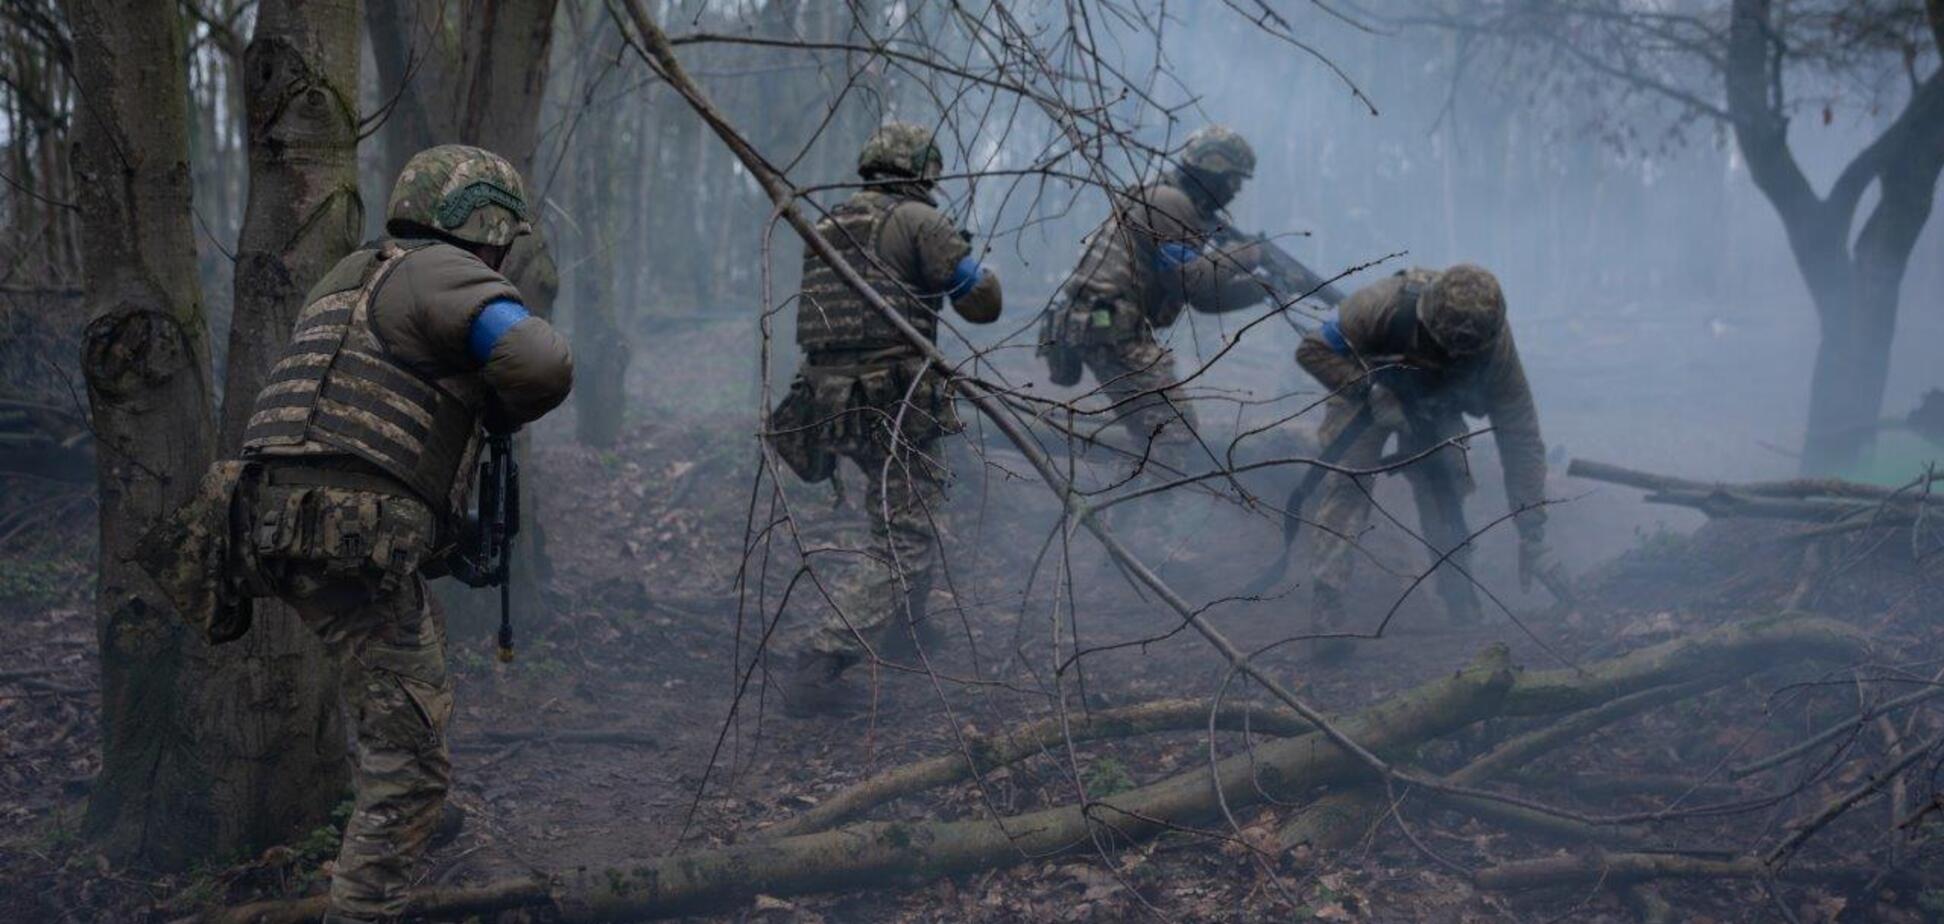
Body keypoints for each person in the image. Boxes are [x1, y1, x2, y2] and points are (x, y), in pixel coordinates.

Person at [238, 144, 572, 923]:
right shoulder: (444, 272)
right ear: (484, 223)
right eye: (501, 240)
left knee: (399, 713)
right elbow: (542, 361)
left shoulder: (348, 275)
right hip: (348, 534)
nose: (501, 255)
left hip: (279, 522)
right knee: (411, 761)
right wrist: (498, 398)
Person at [775, 121, 1002, 717]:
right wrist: (976, 270)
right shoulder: (918, 221)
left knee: (906, 507)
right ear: (923, 169)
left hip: (829, 398)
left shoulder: (832, 220)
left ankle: (908, 632)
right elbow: (981, 304)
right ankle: (822, 660)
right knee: (904, 533)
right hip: (893, 398)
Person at [1294, 263, 1555, 659]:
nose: (1453, 354)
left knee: (1448, 483)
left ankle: (1459, 599)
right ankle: (1328, 605)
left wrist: (1532, 532)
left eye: (1464, 353)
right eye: (1445, 346)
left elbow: (1520, 437)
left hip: (1435, 406)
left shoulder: (1496, 349)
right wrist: (1371, 391)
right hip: (1368, 392)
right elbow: (1312, 349)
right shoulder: (1380, 305)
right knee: (1348, 483)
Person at [1045, 124, 1273, 470]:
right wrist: (1247, 255)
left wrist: (1261, 290)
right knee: (1171, 432)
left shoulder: (1167, 198)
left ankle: (1126, 512)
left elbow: (1203, 299)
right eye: (1234, 179)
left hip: (1104, 323)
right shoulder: (1170, 202)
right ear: (1214, 170)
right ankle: (1142, 521)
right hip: (1110, 325)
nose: (1236, 190)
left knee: (1157, 430)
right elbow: (1189, 281)